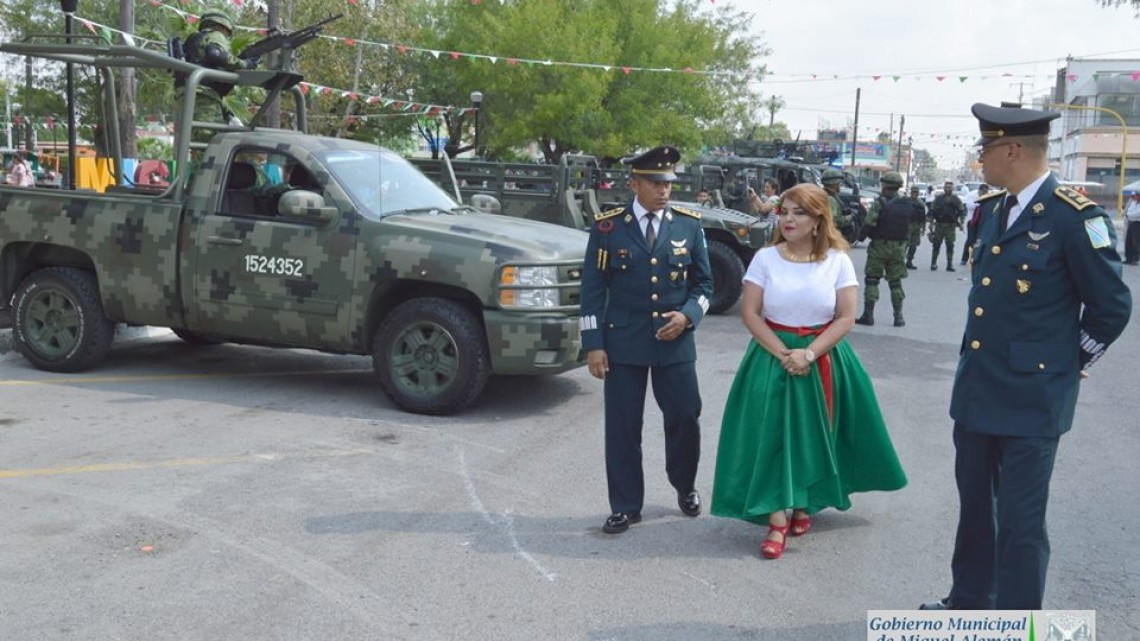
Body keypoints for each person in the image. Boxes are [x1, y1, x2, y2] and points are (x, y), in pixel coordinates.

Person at [921, 102, 1131, 611]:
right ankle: (969, 604)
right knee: (976, 509)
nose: (980, 159)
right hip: (979, 390)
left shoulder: (1075, 217)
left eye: (986, 149)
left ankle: (1017, 623)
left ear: (1012, 150)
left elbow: (1111, 306)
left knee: (1021, 522)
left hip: (1033, 398)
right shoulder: (995, 209)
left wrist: (1072, 361)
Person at [710, 182, 906, 560]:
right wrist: (785, 354)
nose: (788, 219)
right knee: (771, 437)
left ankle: (804, 502)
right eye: (783, 211)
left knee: (817, 434)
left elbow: (846, 316)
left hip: (824, 356)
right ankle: (776, 520)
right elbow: (750, 313)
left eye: (798, 212)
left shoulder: (837, 260)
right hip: (771, 355)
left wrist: (810, 354)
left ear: (819, 219)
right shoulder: (765, 258)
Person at [579, 145, 714, 535]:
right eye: (655, 183)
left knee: (685, 417)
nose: (663, 190)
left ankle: (685, 485)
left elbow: (705, 285)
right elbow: (592, 290)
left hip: (675, 341)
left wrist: (688, 316)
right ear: (634, 184)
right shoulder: (607, 228)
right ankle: (625, 505)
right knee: (623, 426)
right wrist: (593, 344)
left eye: (667, 183)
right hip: (624, 342)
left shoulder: (688, 226)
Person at [175, 10, 258, 143]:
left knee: (197, 140)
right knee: (211, 140)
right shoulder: (216, 35)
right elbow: (215, 54)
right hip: (204, 94)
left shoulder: (193, 39)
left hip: (188, 93)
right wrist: (245, 64)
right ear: (224, 27)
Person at [855, 171, 910, 327]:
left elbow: (869, 222)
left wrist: (860, 237)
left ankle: (868, 315)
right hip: (898, 248)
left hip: (879, 246)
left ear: (884, 185)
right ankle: (898, 317)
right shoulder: (905, 203)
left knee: (872, 280)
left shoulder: (880, 203)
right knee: (895, 282)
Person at [927, 180, 966, 271]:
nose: (947, 189)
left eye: (949, 187)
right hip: (939, 225)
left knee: (950, 245)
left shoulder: (956, 199)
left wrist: (961, 223)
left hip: (950, 226)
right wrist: (931, 223)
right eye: (946, 187)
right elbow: (932, 211)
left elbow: (961, 211)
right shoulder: (938, 199)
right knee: (936, 245)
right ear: (944, 188)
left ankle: (949, 264)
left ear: (952, 188)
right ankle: (933, 263)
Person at [960, 183, 990, 265]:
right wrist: (980, 203)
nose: (985, 193)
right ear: (980, 190)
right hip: (972, 222)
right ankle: (965, 258)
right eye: (983, 192)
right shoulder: (972, 195)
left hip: (982, 222)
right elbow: (969, 206)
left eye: (986, 192)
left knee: (980, 240)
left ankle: (977, 258)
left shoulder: (988, 197)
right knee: (970, 240)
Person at [821, 168, 854, 239]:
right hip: (830, 236)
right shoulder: (830, 199)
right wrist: (850, 217)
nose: (840, 185)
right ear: (834, 184)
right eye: (839, 183)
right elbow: (835, 221)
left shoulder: (822, 194)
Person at [905, 184, 927, 270]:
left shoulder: (920, 203)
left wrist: (923, 228)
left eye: (916, 192)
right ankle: (900, 262)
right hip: (907, 225)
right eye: (913, 192)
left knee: (913, 245)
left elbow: (923, 217)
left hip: (917, 225)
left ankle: (909, 261)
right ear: (911, 192)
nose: (914, 194)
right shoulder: (906, 201)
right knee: (905, 244)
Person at [1123, 192, 1140, 265]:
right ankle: (1128, 258)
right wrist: (1131, 215)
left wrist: (1131, 215)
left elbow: (1138, 213)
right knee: (1128, 241)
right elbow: (1129, 212)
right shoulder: (1133, 203)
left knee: (1135, 242)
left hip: (1138, 223)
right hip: (1131, 222)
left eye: (1137, 196)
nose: (1135, 197)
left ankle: (1136, 259)